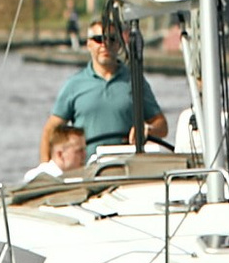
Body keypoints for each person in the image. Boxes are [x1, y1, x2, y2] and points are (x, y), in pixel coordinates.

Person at [38, 15, 169, 166]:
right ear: (88, 44)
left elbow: (162, 126)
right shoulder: (74, 84)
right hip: (87, 171)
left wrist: (148, 129)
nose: (104, 44)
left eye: (111, 39)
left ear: (119, 44)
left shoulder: (135, 81)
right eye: (98, 39)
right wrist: (46, 170)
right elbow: (50, 131)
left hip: (128, 169)